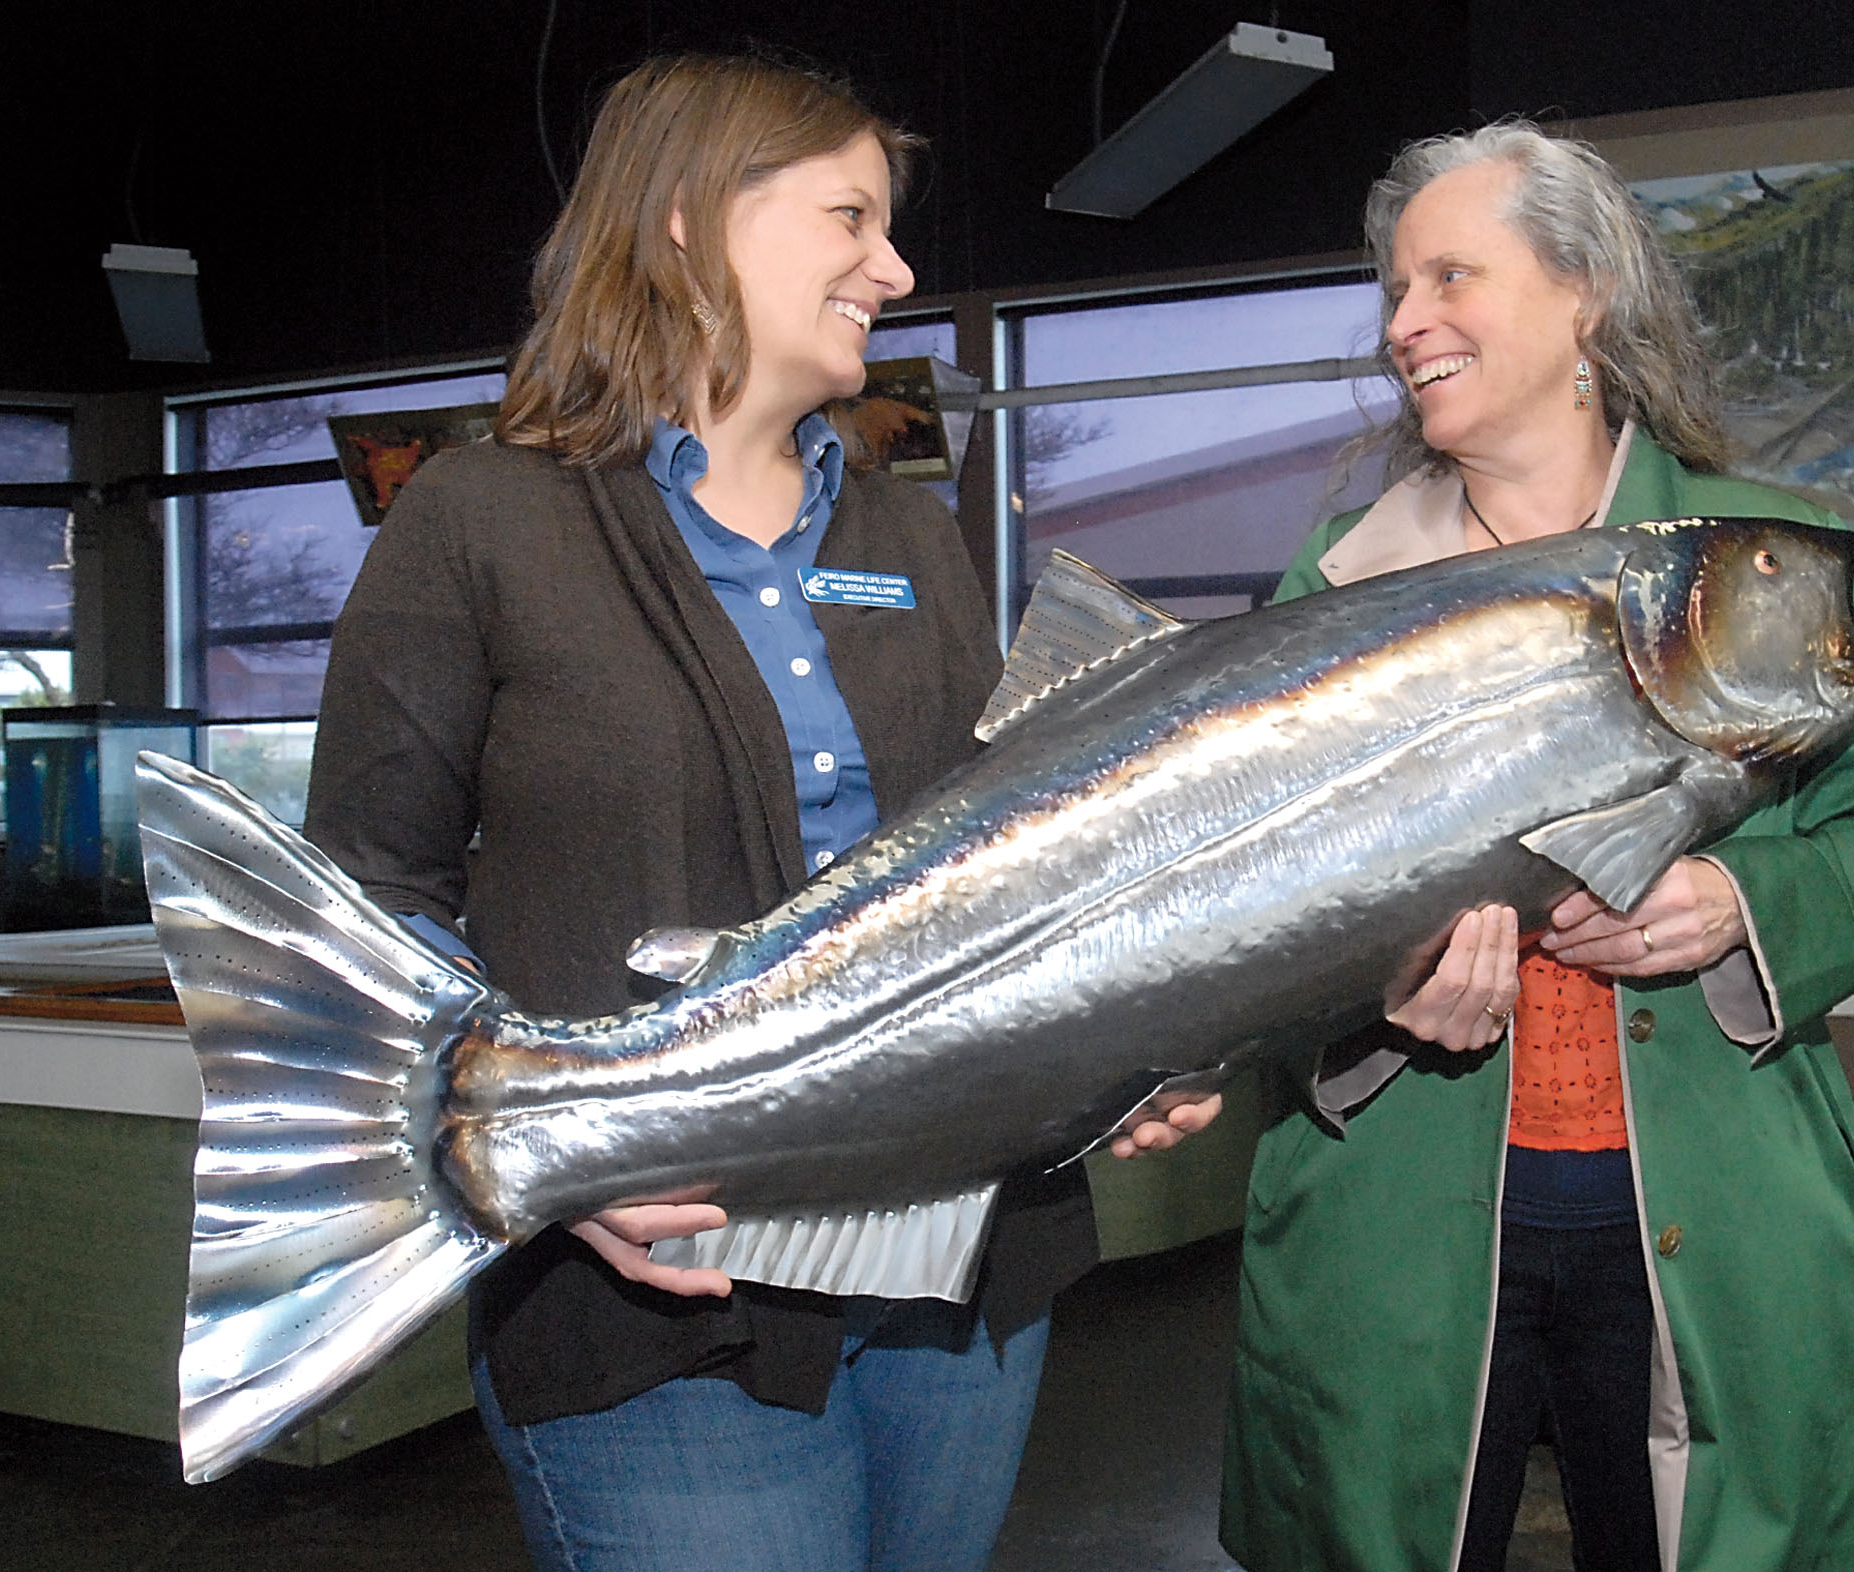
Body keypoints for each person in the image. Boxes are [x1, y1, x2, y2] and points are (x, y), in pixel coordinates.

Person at [304, 54, 1211, 1572]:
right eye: (851, 217)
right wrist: (528, 1147)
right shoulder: (477, 522)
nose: (896, 267)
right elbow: (364, 896)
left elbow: (1011, 869)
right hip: (653, 1295)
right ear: (683, 223)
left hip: (962, 1276)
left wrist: (1118, 1048)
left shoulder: (913, 534)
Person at [1219, 123, 1854, 1572]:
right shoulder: (1338, 588)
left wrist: (1742, 903)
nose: (1402, 323)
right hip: (1398, 1230)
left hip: (1718, 1222)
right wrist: (1377, 986)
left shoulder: (1772, 559)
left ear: (1585, 296)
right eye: (1392, 289)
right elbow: (1251, 915)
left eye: (1449, 275)